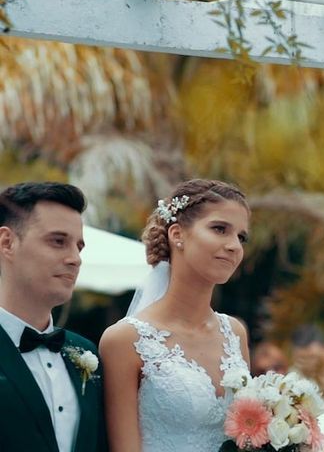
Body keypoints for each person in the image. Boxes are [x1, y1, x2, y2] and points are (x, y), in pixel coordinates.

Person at [99, 179, 251, 452]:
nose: (234, 246)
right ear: (177, 234)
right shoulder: (124, 340)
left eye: (241, 237)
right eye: (220, 229)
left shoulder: (235, 333)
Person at [0, 181, 106, 452]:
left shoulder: (85, 351)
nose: (75, 259)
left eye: (78, 247)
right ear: (7, 242)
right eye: (58, 241)